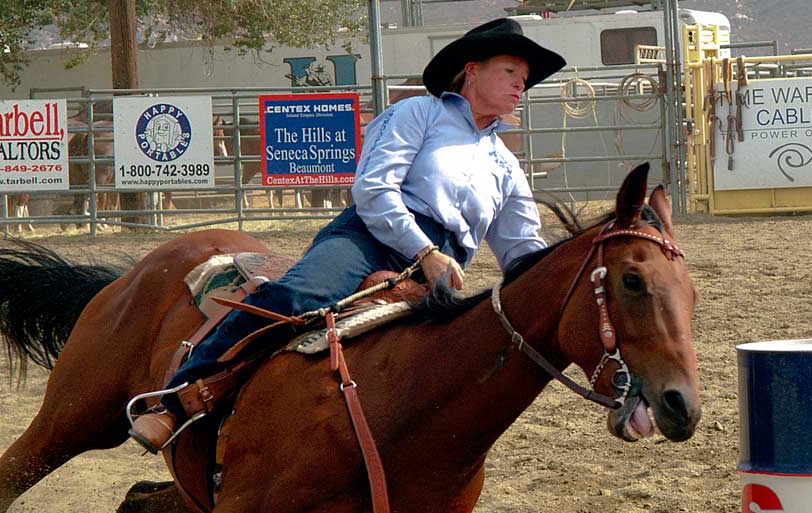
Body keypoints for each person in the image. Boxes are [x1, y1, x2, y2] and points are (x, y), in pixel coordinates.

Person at [129, 17, 567, 452]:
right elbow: (373, 189)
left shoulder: (506, 166)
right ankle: (178, 398)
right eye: (510, 72)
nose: (519, 86)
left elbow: (524, 251)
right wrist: (426, 250)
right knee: (298, 297)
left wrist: (563, 277)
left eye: (525, 79)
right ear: (472, 70)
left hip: (441, 271)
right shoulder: (419, 114)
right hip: (371, 238)